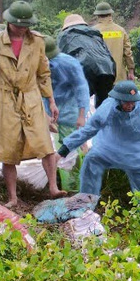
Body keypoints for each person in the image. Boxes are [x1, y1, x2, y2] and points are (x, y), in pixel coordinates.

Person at [0, 1, 60, 206]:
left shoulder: (37, 42)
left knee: (44, 143)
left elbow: (43, 74)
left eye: (25, 25)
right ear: (9, 22)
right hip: (5, 100)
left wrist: (51, 101)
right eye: (17, 25)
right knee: (8, 150)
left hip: (30, 97)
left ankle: (53, 187)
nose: (21, 29)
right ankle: (13, 197)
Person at [57, 80, 140, 207]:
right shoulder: (108, 108)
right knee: (91, 160)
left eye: (132, 102)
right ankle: (85, 205)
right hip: (109, 151)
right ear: (118, 99)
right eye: (125, 102)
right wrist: (65, 149)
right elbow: (89, 130)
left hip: (138, 157)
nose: (129, 105)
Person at [44, 36, 91, 192]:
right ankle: (58, 183)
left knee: (70, 148)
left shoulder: (68, 63)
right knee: (52, 148)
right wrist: (45, 116)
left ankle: (73, 187)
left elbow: (81, 88)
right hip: (48, 109)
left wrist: (82, 115)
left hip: (70, 109)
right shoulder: (35, 63)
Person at [59, 14, 117, 103]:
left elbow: (59, 59)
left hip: (85, 69)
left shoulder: (64, 35)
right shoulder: (95, 33)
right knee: (104, 105)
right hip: (108, 68)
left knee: (78, 104)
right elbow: (106, 53)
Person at [91, 1, 136, 83]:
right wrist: (131, 71)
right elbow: (128, 53)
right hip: (119, 77)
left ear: (97, 15)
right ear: (110, 14)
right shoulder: (120, 30)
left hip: (100, 77)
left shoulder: (93, 32)